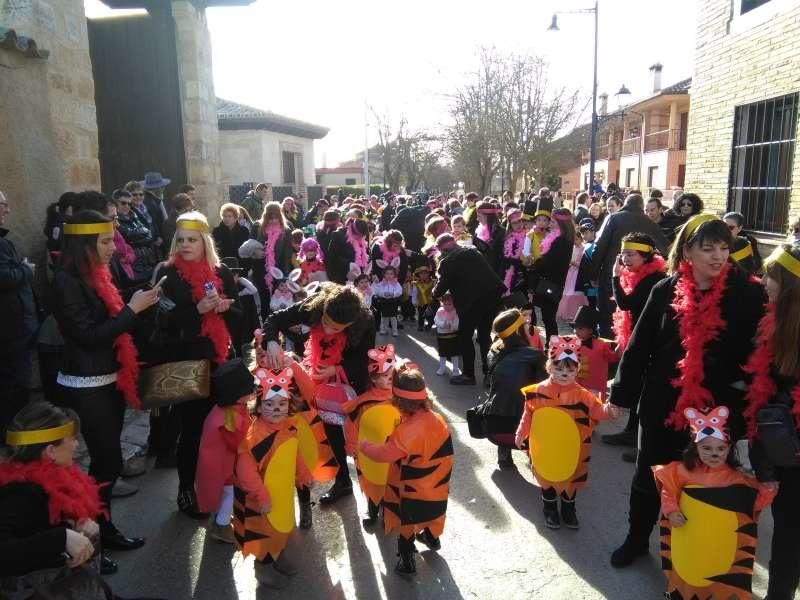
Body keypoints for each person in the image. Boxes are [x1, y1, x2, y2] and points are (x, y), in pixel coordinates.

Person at [607, 213, 766, 568]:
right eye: (707, 248)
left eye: (724, 248)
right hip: (662, 401)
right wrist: (621, 395)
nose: (718, 256)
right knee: (650, 474)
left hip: (716, 409)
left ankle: (697, 553)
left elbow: (762, 352)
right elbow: (639, 346)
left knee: (706, 480)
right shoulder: (664, 290)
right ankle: (636, 539)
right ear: (688, 251)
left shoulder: (748, 292)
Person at [51, 210, 160, 564]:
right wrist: (132, 310)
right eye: (107, 240)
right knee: (106, 460)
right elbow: (86, 336)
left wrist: (141, 295)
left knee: (107, 461)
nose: (116, 246)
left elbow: (108, 308)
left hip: (108, 379)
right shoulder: (65, 281)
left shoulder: (96, 271)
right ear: (85, 243)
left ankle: (103, 528)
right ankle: (92, 540)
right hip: (86, 384)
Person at [0, 402, 167, 599]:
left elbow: (36, 527)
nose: (77, 445)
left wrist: (72, 525)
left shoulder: (50, 477)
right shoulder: (20, 493)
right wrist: (62, 538)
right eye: (72, 439)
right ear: (50, 451)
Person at [144, 211, 242, 518]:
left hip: (219, 362)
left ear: (204, 242)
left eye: (192, 240)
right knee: (192, 431)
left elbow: (242, 314)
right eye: (181, 239)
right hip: (185, 362)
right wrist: (196, 309)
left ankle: (219, 488)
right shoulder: (167, 274)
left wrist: (228, 308)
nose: (185, 245)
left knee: (221, 430)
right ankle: (186, 489)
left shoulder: (221, 272)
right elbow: (160, 319)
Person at [260, 283, 375, 505]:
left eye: (337, 328)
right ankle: (343, 481)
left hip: (350, 384)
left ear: (351, 324)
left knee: (359, 435)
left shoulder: (366, 320)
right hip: (319, 379)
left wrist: (337, 369)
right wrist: (272, 341)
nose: (329, 330)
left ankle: (375, 494)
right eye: (326, 323)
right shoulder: (312, 306)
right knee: (329, 430)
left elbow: (365, 359)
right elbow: (274, 319)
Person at [653, 405, 777, 600]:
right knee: (688, 568)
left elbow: (754, 504)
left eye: (721, 449)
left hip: (717, 542)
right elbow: (668, 490)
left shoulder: (738, 479)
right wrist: (671, 510)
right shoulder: (683, 471)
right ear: (696, 447)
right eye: (707, 448)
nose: (714, 454)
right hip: (690, 538)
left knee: (715, 574)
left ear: (729, 449)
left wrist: (769, 489)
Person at [742, 243, 800, 600]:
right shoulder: (773, 319)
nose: (764, 282)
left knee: (790, 530)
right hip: (780, 446)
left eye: (771, 276)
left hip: (790, 447)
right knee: (787, 528)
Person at [359, 363, 453, 574]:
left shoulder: (406, 432)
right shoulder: (438, 419)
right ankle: (432, 538)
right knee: (433, 513)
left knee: (406, 524)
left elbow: (384, 454)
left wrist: (364, 445)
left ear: (398, 400)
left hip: (413, 490)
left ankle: (407, 561)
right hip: (438, 483)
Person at [516, 336, 618, 529]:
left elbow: (597, 410)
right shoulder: (538, 391)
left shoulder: (582, 395)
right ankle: (550, 509)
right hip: (545, 446)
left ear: (577, 370)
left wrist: (609, 411)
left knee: (570, 480)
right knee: (547, 477)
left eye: (570, 370)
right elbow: (528, 414)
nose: (564, 373)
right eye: (559, 368)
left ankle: (569, 510)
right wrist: (521, 433)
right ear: (549, 367)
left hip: (572, 448)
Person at [233, 364, 313, 589]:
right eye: (269, 404)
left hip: (281, 493)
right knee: (263, 532)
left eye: (281, 403)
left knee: (280, 528)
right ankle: (263, 568)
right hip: (260, 499)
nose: (277, 409)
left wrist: (304, 474)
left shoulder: (287, 427)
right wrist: (263, 497)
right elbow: (246, 474)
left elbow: (294, 454)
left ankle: (277, 554)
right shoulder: (254, 438)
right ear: (258, 407)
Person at [470, 309, 545, 470]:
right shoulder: (534, 355)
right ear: (519, 330)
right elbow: (543, 386)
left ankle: (503, 454)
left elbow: (490, 384)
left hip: (496, 419)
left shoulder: (493, 352)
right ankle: (534, 455)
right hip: (524, 418)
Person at [590, 193, 668, 338]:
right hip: (640, 279)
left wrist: (593, 274)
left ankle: (608, 352)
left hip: (613, 273)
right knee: (631, 319)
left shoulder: (613, 218)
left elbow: (598, 247)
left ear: (625, 203)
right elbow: (665, 249)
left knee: (607, 318)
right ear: (641, 206)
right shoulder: (650, 223)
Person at [432, 233, 505, 385]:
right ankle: (488, 374)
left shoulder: (448, 262)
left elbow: (438, 291)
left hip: (471, 304)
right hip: (491, 297)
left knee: (465, 337)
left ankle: (468, 375)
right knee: (485, 337)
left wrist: (434, 291)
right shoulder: (472, 251)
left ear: (442, 250)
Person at [195, 359, 254, 544]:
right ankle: (221, 526)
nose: (253, 393)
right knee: (231, 493)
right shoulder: (230, 418)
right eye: (249, 391)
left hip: (219, 462)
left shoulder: (228, 409)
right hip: (224, 466)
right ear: (238, 396)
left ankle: (220, 519)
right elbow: (238, 443)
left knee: (225, 493)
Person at [342, 344, 400, 529]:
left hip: (394, 451)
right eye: (384, 376)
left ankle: (391, 509)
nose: (389, 378)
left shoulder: (401, 397)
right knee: (372, 482)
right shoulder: (364, 401)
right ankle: (372, 509)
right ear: (374, 379)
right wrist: (351, 446)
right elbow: (351, 423)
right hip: (370, 452)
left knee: (394, 482)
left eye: (392, 374)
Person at [0, 190, 37, 434]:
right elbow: (4, 277)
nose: (8, 209)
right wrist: (27, 270)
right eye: (2, 204)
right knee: (14, 383)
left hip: (15, 325)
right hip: (9, 328)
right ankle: (11, 432)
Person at [528, 207, 576, 343]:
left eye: (553, 222)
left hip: (552, 283)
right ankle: (552, 344)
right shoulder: (563, 238)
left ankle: (553, 345)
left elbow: (548, 263)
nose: (550, 224)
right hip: (555, 282)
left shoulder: (561, 241)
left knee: (549, 318)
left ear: (561, 224)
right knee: (548, 317)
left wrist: (534, 264)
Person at [249, 201, 294, 317]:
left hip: (278, 270)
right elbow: (249, 247)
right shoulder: (257, 227)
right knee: (264, 299)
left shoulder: (287, 229)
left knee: (278, 300)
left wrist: (285, 275)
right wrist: (255, 252)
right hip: (260, 269)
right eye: (270, 218)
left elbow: (287, 253)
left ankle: (278, 328)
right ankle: (265, 327)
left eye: (276, 218)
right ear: (265, 217)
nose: (273, 221)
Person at [571, 307, 617, 401]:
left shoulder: (601, 345)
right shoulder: (570, 343)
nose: (576, 331)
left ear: (590, 330)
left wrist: (619, 349)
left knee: (593, 408)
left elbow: (612, 358)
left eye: (580, 328)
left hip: (595, 385)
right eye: (575, 328)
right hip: (576, 385)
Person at [326, 218, 370, 284]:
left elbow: (366, 252)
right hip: (342, 275)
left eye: (362, 236)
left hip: (360, 277)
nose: (360, 237)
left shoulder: (363, 235)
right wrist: (349, 263)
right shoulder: (338, 235)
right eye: (358, 235)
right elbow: (331, 257)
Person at [472, 198, 506, 277]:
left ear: (488, 216)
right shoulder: (479, 229)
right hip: (481, 268)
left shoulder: (500, 231)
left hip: (494, 271)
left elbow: (493, 251)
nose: (477, 219)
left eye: (479, 216)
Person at [723, 211, 763, 275]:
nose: (726, 230)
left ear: (739, 228)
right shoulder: (716, 240)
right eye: (724, 226)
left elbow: (757, 264)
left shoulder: (748, 242)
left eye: (730, 228)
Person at [433, 292, 461, 377]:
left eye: (450, 304)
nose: (447, 306)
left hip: (453, 336)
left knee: (454, 354)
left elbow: (457, 323)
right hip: (442, 336)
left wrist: (452, 326)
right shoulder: (440, 311)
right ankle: (442, 368)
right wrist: (443, 324)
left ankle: (455, 369)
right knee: (442, 354)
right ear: (442, 303)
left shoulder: (455, 312)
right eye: (445, 304)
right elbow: (436, 321)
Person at [501, 209, 527, 295]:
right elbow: (507, 259)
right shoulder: (508, 238)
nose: (518, 224)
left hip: (526, 273)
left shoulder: (529, 235)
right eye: (514, 223)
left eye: (520, 221)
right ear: (510, 225)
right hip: (513, 275)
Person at [372, 265, 403, 336]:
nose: (389, 275)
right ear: (384, 274)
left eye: (391, 274)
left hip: (393, 302)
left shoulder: (396, 283)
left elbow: (400, 291)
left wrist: (393, 294)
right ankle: (383, 329)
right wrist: (383, 294)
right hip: (384, 302)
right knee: (384, 317)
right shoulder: (381, 283)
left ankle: (395, 331)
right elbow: (377, 291)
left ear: (394, 275)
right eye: (387, 274)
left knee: (393, 317)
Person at [410, 265, 434, 331]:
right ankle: (420, 325)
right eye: (421, 273)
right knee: (421, 315)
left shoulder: (433, 282)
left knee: (431, 315)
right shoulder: (416, 283)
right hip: (421, 302)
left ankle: (429, 324)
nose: (423, 275)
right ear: (419, 274)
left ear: (429, 274)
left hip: (431, 302)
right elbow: (414, 293)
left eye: (425, 273)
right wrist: (414, 301)